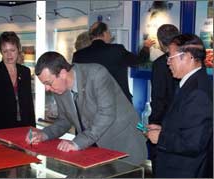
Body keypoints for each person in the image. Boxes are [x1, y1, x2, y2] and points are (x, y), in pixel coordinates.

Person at [25, 51, 147, 165]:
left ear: (62, 73)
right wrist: (44, 134)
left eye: (48, 83)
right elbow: (64, 121)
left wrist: (78, 142)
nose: (47, 88)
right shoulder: (59, 89)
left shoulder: (96, 74)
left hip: (124, 143)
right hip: (96, 149)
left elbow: (106, 114)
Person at [146, 34, 213, 177]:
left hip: (184, 170)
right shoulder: (190, 83)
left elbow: (194, 143)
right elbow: (186, 125)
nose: (168, 63)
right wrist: (163, 129)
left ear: (188, 57)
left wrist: (161, 137)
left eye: (171, 57)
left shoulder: (198, 92)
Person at [72, 21, 155, 103]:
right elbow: (139, 61)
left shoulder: (78, 55)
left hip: (91, 104)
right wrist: (146, 47)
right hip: (118, 104)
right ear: (105, 33)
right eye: (109, 32)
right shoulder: (117, 50)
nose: (110, 35)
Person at [0, 31, 36, 137]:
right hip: (0, 127)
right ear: (1, 52)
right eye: (5, 51)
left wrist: (32, 129)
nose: (9, 55)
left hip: (23, 127)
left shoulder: (25, 72)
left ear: (18, 49)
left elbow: (29, 104)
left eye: (12, 50)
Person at [147, 24, 180, 176]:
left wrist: (154, 122)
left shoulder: (160, 64)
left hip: (163, 121)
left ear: (160, 42)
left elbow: (158, 97)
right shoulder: (187, 60)